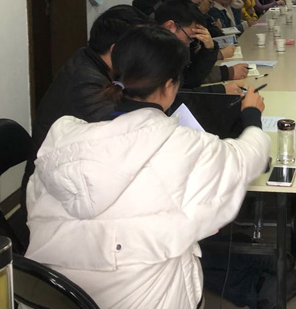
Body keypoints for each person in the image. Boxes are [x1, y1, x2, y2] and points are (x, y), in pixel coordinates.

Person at [25, 26, 273, 309]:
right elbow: (246, 160)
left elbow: (36, 203)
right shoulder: (183, 145)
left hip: (54, 295)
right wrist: (252, 115)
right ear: (168, 86)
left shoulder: (63, 138)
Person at [21, 5, 150, 206]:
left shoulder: (91, 59)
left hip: (71, 174)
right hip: (51, 193)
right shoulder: (86, 83)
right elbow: (121, 135)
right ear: (116, 50)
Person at [154, 0, 247, 90]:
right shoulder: (152, 56)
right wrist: (222, 90)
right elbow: (180, 94)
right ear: (170, 26)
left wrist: (209, 49)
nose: (189, 44)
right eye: (189, 38)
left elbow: (190, 80)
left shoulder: (170, 48)